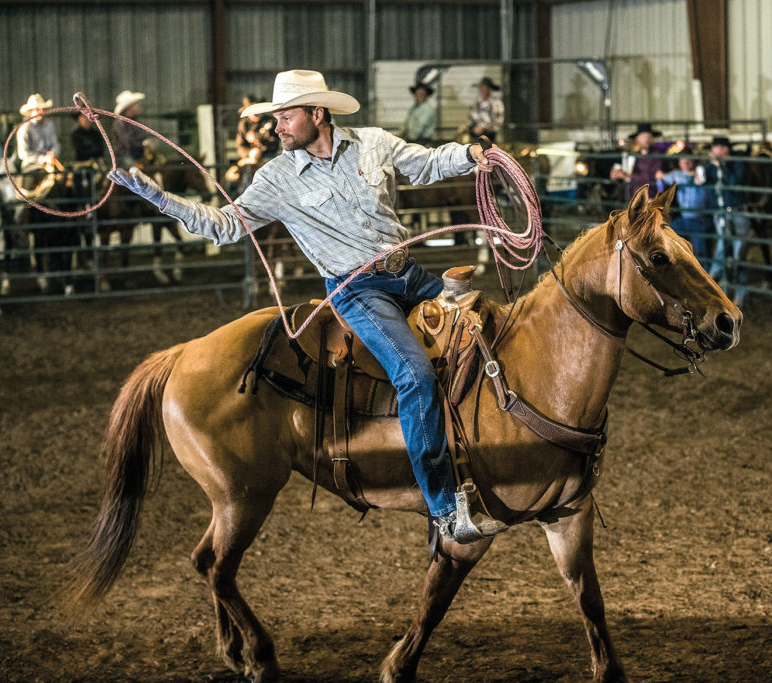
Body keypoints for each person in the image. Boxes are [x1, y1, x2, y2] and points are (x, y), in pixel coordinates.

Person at [106, 68, 505, 543]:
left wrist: (472, 154)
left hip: (408, 274)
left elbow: (427, 163)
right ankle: (444, 509)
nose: (277, 127)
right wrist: (158, 197)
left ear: (318, 114)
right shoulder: (276, 178)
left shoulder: (373, 143)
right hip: (358, 291)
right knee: (414, 375)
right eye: (276, 118)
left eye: (285, 116)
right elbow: (225, 225)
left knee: (489, 328)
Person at [703, 136, 750, 307]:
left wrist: (722, 167)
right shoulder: (710, 169)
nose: (719, 151)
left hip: (738, 213)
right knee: (723, 249)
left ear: (728, 150)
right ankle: (715, 286)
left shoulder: (737, 165)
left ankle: (738, 295)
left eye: (723, 148)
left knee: (738, 254)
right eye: (716, 148)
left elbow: (734, 183)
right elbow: (704, 185)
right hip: (720, 215)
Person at [656, 151, 709, 260]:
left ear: (693, 161)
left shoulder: (702, 174)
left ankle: (703, 272)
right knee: (666, 232)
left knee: (700, 251)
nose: (685, 162)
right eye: (682, 160)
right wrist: (659, 176)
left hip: (700, 219)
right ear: (679, 163)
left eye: (688, 160)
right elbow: (661, 175)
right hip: (685, 219)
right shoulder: (677, 174)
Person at [16, 93, 61, 190]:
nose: (40, 111)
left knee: (64, 177)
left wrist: (53, 153)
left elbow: (55, 144)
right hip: (32, 165)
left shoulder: (49, 125)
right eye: (37, 109)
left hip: (51, 162)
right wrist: (42, 159)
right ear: (30, 111)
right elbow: (23, 153)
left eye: (42, 109)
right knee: (33, 180)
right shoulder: (24, 128)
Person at [611, 122, 663, 199]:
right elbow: (627, 174)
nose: (646, 139)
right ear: (637, 139)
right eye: (643, 137)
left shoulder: (657, 155)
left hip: (651, 197)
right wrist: (617, 175)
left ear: (652, 139)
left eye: (648, 136)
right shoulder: (634, 156)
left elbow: (652, 176)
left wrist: (628, 177)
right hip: (635, 197)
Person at [235, 94, 280, 163]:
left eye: (257, 110)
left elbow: (271, 137)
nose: (255, 113)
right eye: (252, 111)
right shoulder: (243, 124)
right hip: (250, 157)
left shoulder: (269, 121)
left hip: (269, 156)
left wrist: (255, 136)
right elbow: (240, 146)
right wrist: (250, 152)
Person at [112, 90, 147, 168]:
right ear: (129, 107)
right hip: (126, 156)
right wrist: (143, 144)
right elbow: (127, 141)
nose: (138, 106)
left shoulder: (134, 120)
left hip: (136, 155)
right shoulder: (120, 122)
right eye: (135, 104)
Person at [468, 76, 504, 142]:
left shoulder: (496, 103)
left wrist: (483, 128)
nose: (482, 91)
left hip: (490, 136)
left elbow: (497, 123)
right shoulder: (476, 103)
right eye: (481, 88)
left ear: (490, 90)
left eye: (485, 88)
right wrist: (473, 127)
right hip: (476, 136)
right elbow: (472, 118)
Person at [403, 81, 436, 145]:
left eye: (422, 94)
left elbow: (418, 130)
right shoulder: (412, 109)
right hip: (413, 142)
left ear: (426, 96)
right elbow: (407, 125)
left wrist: (407, 140)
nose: (419, 96)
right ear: (415, 95)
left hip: (422, 143)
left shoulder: (427, 109)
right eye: (418, 94)